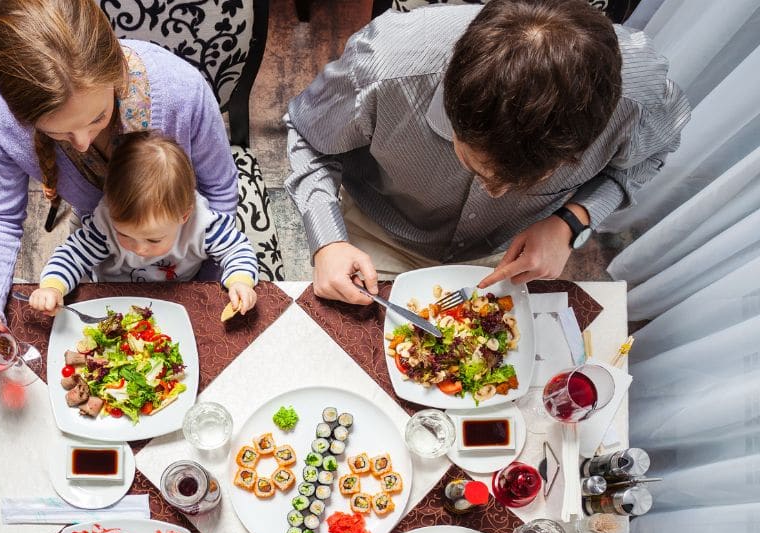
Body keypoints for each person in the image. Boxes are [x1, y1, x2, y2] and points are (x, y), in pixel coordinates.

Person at [286, 0, 690, 306]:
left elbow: (647, 159)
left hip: (510, 254)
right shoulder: (384, 67)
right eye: (474, 164)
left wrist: (571, 221)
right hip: (378, 233)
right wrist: (328, 242)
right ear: (452, 106)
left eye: (530, 182)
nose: (495, 192)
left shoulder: (641, 99)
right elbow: (308, 136)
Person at [0, 0, 238, 322]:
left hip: (186, 250)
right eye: (59, 133)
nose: (83, 144)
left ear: (116, 73)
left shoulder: (182, 90)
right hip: (102, 242)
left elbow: (219, 191)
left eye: (98, 118)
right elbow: (0, 219)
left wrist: (203, 293)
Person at [29, 131, 258, 317]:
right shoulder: (106, 223)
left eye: (154, 239)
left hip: (177, 297)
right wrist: (52, 286)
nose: (139, 249)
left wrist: (240, 281)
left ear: (184, 216)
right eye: (124, 234)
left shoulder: (202, 225)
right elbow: (72, 255)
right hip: (115, 299)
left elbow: (237, 249)